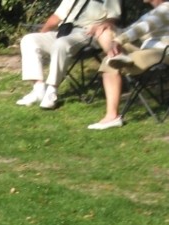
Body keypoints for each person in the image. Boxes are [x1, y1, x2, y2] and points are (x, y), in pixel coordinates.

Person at [17, 0, 121, 110]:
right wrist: (42, 35)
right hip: (65, 31)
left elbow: (112, 19)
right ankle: (39, 89)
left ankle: (52, 91)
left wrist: (101, 26)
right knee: (29, 40)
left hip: (88, 34)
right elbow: (56, 17)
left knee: (61, 44)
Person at [88, 0, 169, 129]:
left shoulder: (166, 8)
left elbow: (143, 27)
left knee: (112, 62)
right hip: (146, 49)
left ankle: (112, 116)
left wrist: (119, 40)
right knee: (108, 46)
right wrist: (106, 27)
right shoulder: (151, 12)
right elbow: (129, 30)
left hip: (162, 52)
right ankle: (119, 58)